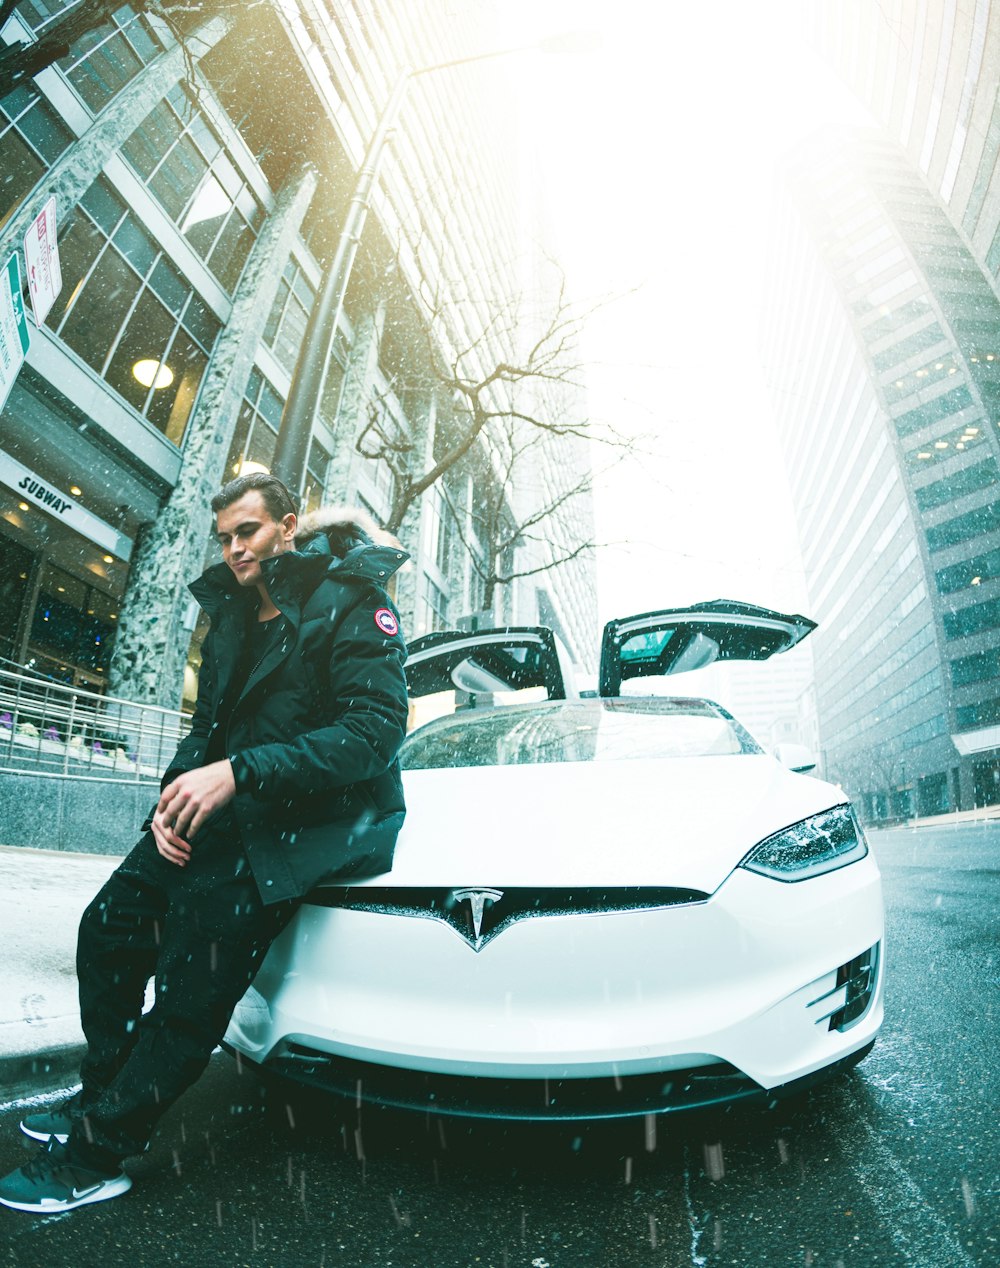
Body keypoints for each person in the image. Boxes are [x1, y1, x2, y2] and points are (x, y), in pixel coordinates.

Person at [0, 474, 409, 1212]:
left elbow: (371, 737)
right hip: (222, 809)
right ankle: (100, 1096)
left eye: (247, 532)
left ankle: (101, 1152)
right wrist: (168, 803)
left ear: (288, 525)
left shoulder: (354, 601)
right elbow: (208, 732)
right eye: (223, 536)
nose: (233, 549)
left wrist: (239, 773)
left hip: (302, 826)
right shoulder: (231, 611)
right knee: (110, 927)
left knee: (192, 985)